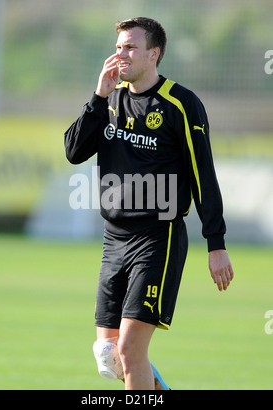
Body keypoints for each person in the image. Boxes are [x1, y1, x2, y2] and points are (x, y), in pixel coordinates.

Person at [64, 17, 234, 390]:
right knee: (109, 356)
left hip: (159, 237)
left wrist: (216, 243)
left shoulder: (181, 104)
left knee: (129, 348)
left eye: (130, 47)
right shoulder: (109, 100)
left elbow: (203, 173)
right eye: (119, 46)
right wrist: (98, 97)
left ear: (153, 54)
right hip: (114, 240)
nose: (120, 54)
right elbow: (73, 151)